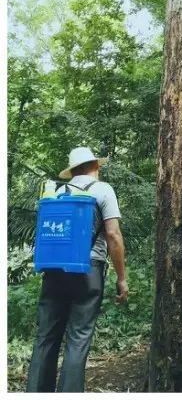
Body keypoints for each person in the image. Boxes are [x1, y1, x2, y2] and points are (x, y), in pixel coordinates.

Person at [27, 147, 128, 393]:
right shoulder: (103, 190)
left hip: (55, 271)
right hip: (88, 271)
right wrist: (122, 278)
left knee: (46, 337)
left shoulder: (58, 192)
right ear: (95, 166)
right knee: (78, 338)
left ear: (72, 170)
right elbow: (113, 235)